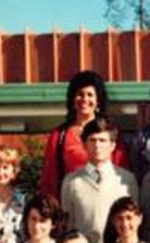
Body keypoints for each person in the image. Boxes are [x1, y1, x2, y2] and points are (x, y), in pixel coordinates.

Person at [40, 70, 128, 198]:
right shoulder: (59, 136)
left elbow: (122, 172)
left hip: (107, 202)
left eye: (90, 94)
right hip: (71, 204)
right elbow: (49, 180)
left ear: (98, 101)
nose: (85, 99)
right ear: (72, 99)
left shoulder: (112, 134)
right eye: (80, 94)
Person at [60, 118, 139, 243]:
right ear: (84, 144)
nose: (97, 145)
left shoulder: (127, 180)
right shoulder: (72, 182)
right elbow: (68, 226)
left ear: (112, 145)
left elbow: (135, 222)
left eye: (102, 141)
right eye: (92, 140)